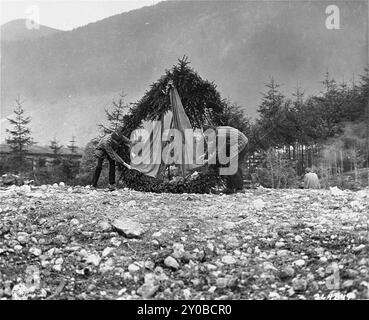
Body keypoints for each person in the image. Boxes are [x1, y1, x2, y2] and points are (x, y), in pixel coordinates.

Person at [203, 124, 248, 193]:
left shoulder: (221, 134)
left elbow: (219, 151)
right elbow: (212, 146)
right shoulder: (216, 134)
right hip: (231, 143)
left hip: (241, 142)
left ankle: (239, 188)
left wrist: (208, 161)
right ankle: (230, 187)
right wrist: (205, 156)